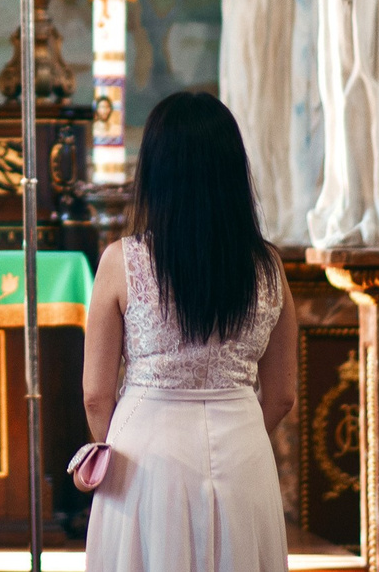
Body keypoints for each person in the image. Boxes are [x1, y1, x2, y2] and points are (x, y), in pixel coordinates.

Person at [81, 90, 292, 572]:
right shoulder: (268, 267)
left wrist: (106, 448)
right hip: (243, 450)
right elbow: (281, 395)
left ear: (154, 172)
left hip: (145, 455)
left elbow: (96, 394)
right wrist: (234, 430)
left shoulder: (122, 262)